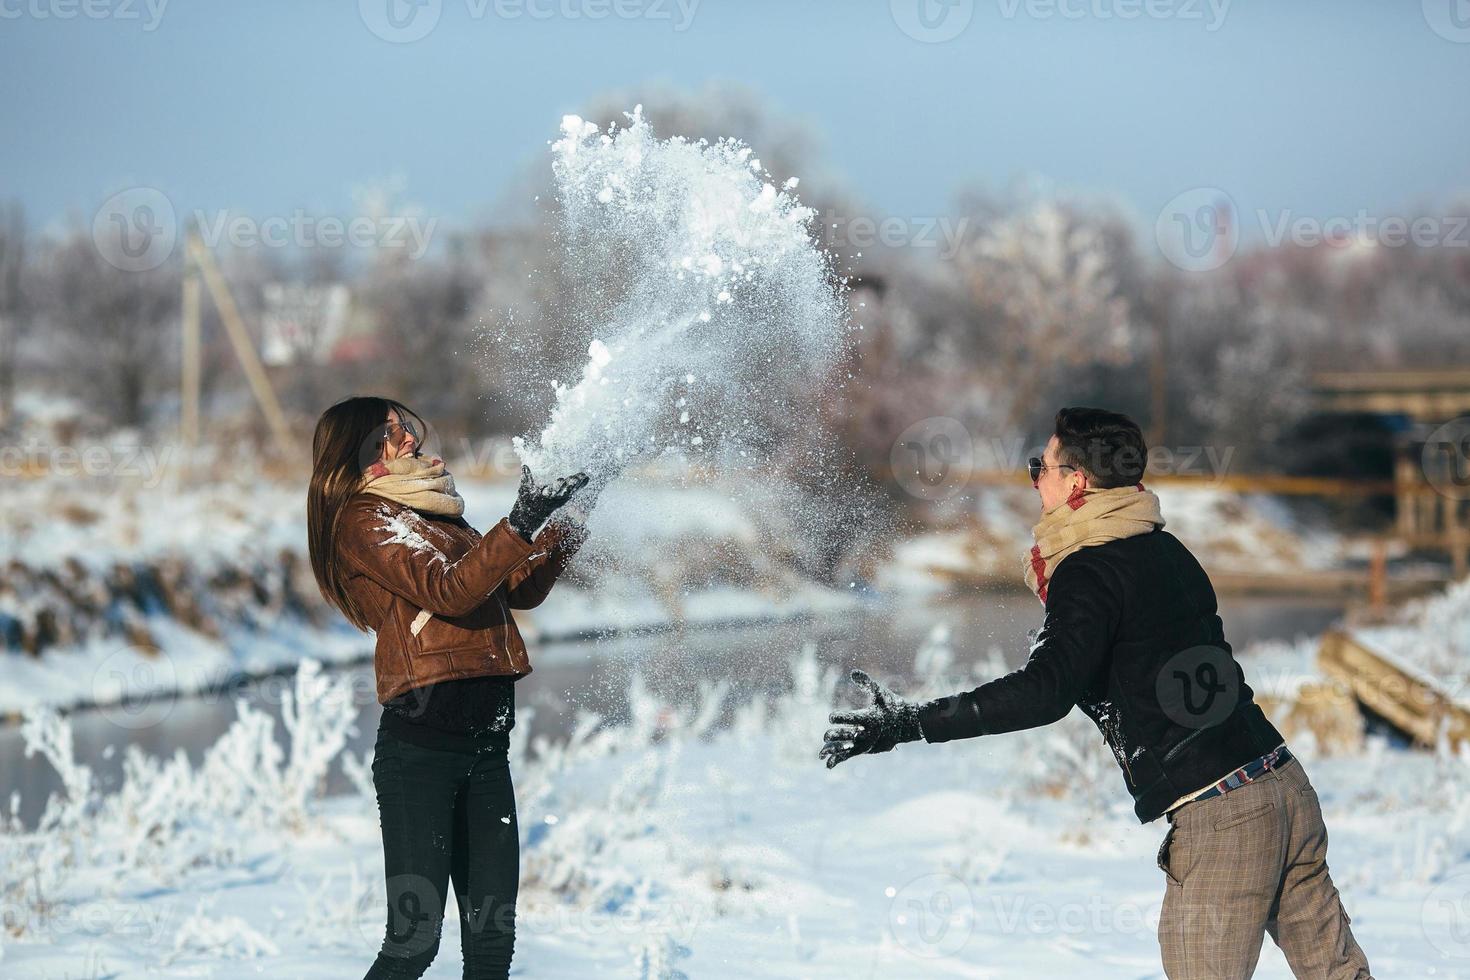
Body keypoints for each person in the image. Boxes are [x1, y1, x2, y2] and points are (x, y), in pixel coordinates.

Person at [820, 407, 1372, 979]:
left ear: (1076, 481)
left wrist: (911, 723)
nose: (1034, 478)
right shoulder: (1166, 550)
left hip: (1223, 814)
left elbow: (1044, 693)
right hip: (1281, 782)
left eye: (1042, 466)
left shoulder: (1087, 572)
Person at [306, 395, 590, 980]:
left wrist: (573, 512)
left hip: (487, 750)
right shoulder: (365, 519)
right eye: (388, 433)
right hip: (421, 755)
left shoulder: (436, 513)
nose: (408, 437)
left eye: (405, 426)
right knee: (413, 943)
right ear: (355, 452)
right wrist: (518, 522)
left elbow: (514, 588)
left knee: (491, 948)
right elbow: (451, 591)